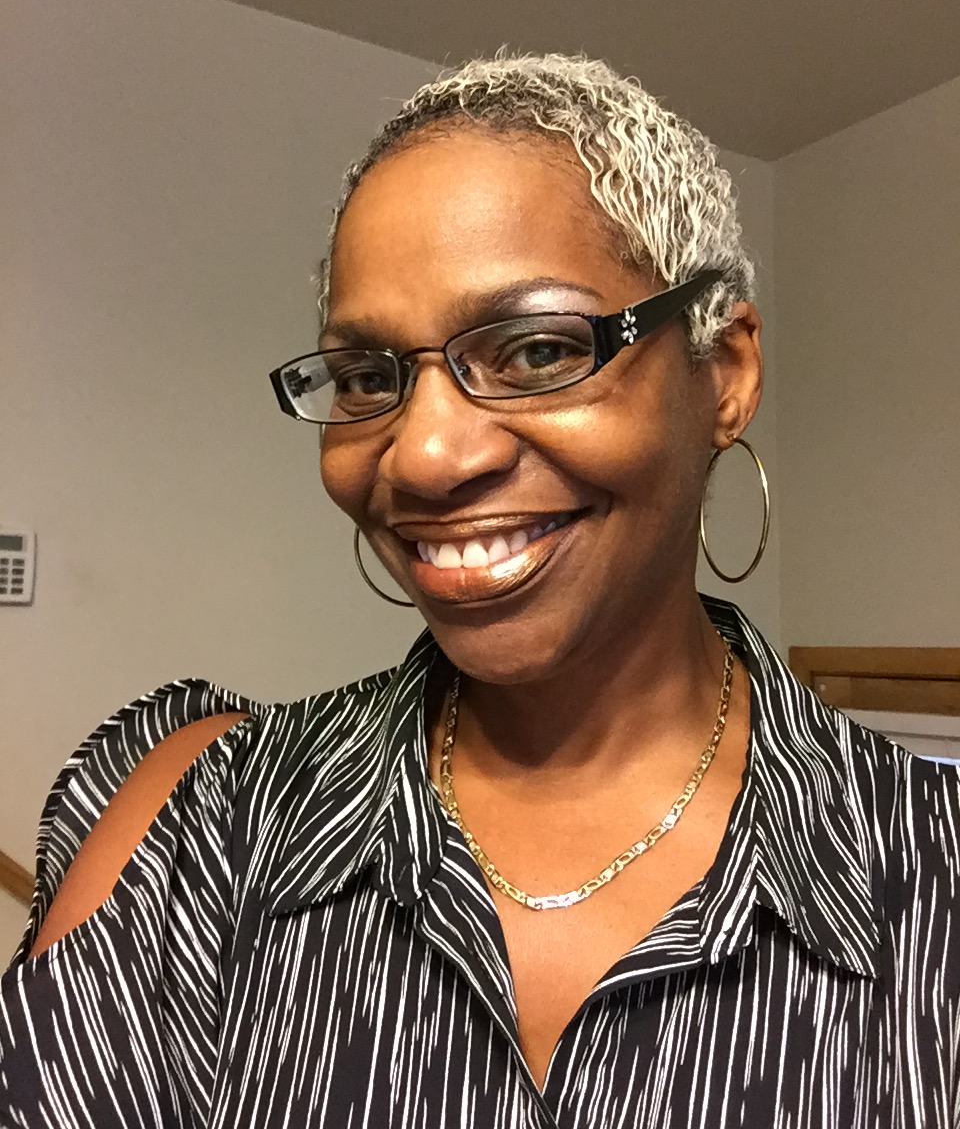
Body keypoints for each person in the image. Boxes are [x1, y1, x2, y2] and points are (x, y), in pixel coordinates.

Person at [2, 55, 958, 1129]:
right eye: (369, 377)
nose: (422, 456)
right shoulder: (198, 826)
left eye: (538, 350)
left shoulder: (931, 869)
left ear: (725, 373)